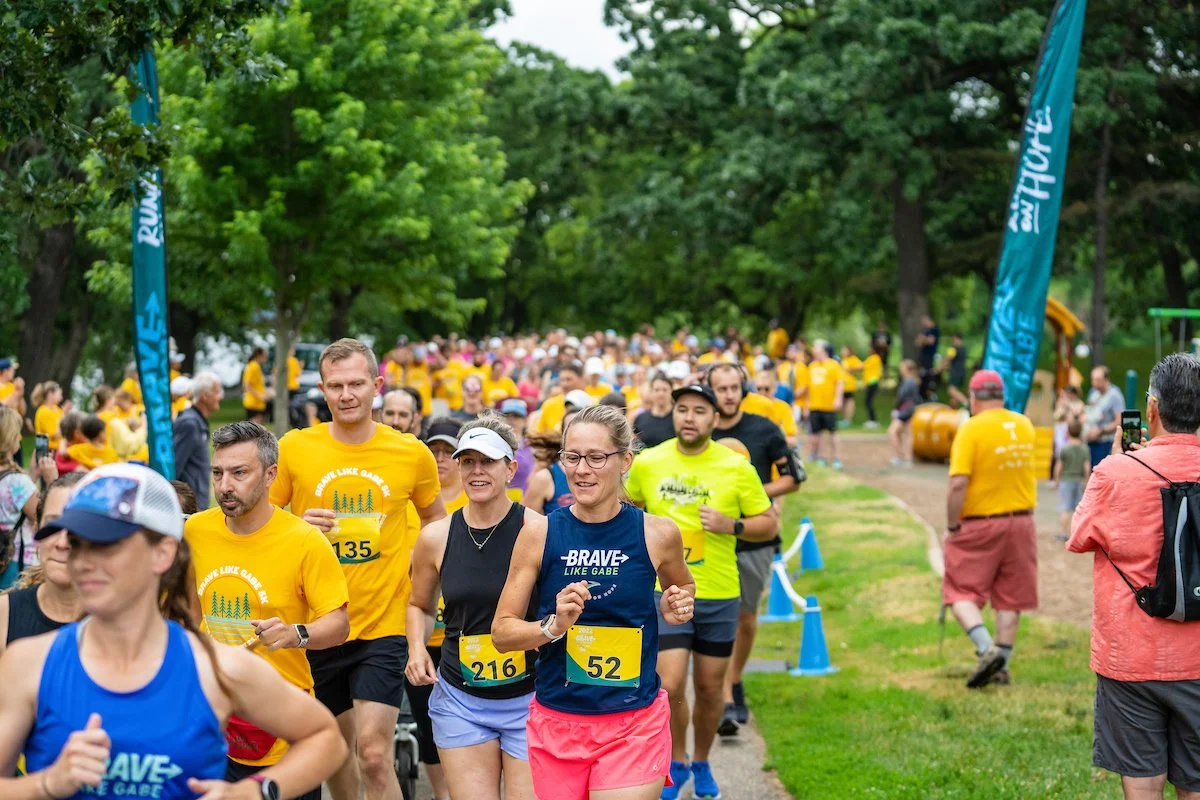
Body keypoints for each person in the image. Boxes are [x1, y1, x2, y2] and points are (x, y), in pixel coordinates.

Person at [0, 462, 347, 799]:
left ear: (162, 553)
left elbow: (325, 738)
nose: (84, 560)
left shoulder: (216, 669)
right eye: (79, 543)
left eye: (107, 544)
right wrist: (46, 785)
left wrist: (251, 791)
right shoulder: (30, 664)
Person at [270, 338, 446, 800]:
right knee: (336, 755)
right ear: (323, 392)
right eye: (335, 386)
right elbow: (261, 526)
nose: (346, 395)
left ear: (377, 387)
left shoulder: (411, 453)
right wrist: (296, 526)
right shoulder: (294, 448)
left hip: (383, 622)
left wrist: (425, 582)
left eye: (355, 384)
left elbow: (437, 523)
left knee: (372, 753)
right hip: (318, 623)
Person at [492, 404, 696, 800]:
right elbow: (502, 633)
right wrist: (553, 626)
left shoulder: (658, 534)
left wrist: (677, 605)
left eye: (596, 458)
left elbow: (683, 589)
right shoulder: (539, 533)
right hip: (558, 721)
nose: (581, 470)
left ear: (625, 461)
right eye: (572, 457)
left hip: (634, 722)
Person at [626, 384, 779, 800]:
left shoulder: (736, 467)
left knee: (711, 688)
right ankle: (676, 760)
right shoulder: (649, 463)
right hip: (667, 592)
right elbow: (626, 506)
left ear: (714, 419)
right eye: (682, 409)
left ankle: (702, 760)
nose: (689, 417)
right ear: (673, 415)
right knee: (671, 683)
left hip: (718, 592)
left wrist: (733, 526)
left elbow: (769, 522)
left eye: (699, 410)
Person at [187, 421, 350, 798]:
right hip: (214, 714)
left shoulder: (305, 540)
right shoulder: (195, 531)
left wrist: (297, 634)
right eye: (218, 472)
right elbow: (186, 614)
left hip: (282, 721)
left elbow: (339, 624)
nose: (225, 485)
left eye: (239, 472)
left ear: (270, 475)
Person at [1067, 353, 1200, 800]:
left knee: (1141, 787)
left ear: (1151, 410)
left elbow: (1079, 535)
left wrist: (1115, 463)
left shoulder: (1115, 473)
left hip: (1132, 658)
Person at [406, 415, 539, 800]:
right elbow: (419, 604)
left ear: (510, 468)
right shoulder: (435, 537)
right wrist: (416, 649)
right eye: (468, 462)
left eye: (488, 461)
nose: (476, 471)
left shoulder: (539, 530)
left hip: (528, 698)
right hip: (460, 698)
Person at [705, 364, 799, 736]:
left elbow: (794, 478)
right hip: (709, 538)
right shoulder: (699, 432)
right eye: (720, 388)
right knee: (716, 617)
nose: (728, 394)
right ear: (709, 392)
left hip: (753, 537)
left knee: (745, 617)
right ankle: (724, 697)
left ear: (743, 389)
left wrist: (755, 496)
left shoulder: (765, 429)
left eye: (733, 387)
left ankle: (736, 678)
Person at [943, 370, 1037, 689]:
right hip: (1022, 521)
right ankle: (1003, 667)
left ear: (972, 398)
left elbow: (958, 483)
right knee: (1010, 597)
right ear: (1002, 396)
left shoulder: (970, 429)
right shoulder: (1024, 424)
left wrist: (952, 525)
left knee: (959, 591)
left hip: (981, 523)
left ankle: (987, 649)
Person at [0, 473, 85, 659]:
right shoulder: (4, 615)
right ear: (36, 530)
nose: (62, 542)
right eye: (53, 524)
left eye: (77, 527)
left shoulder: (121, 622)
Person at [0, 408, 57, 591]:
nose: (19, 437)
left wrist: (32, 474)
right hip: (15, 564)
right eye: (16, 433)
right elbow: (44, 519)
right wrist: (51, 481)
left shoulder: (15, 481)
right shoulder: (17, 482)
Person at [172, 371, 223, 511]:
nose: (221, 397)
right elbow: (175, 466)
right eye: (217, 392)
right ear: (206, 396)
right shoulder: (189, 424)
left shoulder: (197, 421)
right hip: (189, 505)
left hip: (197, 501)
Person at [807, 340, 845, 470]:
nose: (814, 352)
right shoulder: (811, 366)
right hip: (815, 405)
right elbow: (808, 386)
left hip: (828, 405)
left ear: (823, 351)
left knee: (833, 432)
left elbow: (840, 382)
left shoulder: (833, 365)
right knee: (817, 434)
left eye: (816, 350)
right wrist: (807, 403)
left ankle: (837, 458)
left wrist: (838, 398)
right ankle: (819, 457)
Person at [1053, 420, 1091, 543]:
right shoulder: (1084, 448)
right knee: (1077, 509)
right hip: (1079, 480)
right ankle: (1076, 534)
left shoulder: (1065, 448)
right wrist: (1086, 480)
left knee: (1065, 508)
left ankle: (1064, 533)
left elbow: (1059, 466)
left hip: (1066, 480)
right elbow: (1086, 466)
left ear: (1068, 432)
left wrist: (1056, 480)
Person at [1085, 366, 1125, 468]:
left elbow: (1119, 421)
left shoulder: (1114, 395)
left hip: (1106, 442)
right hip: (1091, 441)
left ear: (1106, 379)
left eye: (1098, 380)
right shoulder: (1093, 394)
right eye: (1093, 379)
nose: (1094, 383)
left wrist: (1101, 431)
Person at [426, 418, 467, 512]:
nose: (439, 459)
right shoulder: (412, 497)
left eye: (448, 451)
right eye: (433, 451)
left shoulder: (476, 497)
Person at [531, 362, 585, 434]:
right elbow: (539, 434)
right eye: (562, 380)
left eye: (569, 379)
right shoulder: (550, 404)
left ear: (581, 379)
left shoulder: (591, 402)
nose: (565, 384)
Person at [500, 398, 535, 495]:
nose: (511, 420)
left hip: (527, 500)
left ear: (525, 421)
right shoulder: (494, 445)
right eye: (507, 416)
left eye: (516, 416)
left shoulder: (532, 446)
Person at [890, 360, 921, 467]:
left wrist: (896, 409)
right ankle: (908, 459)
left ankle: (899, 456)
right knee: (908, 434)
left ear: (907, 369)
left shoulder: (908, 382)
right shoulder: (913, 381)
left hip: (905, 410)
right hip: (910, 409)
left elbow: (902, 397)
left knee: (892, 431)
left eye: (902, 367)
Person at [635, 372, 677, 449]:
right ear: (651, 392)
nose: (661, 394)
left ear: (671, 391)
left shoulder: (679, 417)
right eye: (657, 390)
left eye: (665, 390)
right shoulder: (641, 418)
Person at [242, 345, 273, 424]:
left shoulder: (256, 366)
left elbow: (257, 385)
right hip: (253, 403)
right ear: (259, 355)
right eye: (265, 356)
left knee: (257, 431)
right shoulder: (253, 366)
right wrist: (259, 396)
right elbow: (246, 385)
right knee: (254, 430)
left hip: (258, 403)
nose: (266, 358)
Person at [32, 382, 65, 451]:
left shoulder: (57, 409)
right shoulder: (43, 411)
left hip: (57, 449)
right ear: (50, 394)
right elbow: (55, 435)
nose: (61, 397)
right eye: (59, 394)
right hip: (48, 451)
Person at [917, 315, 940, 400]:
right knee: (922, 375)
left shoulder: (934, 330)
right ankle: (923, 394)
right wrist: (923, 339)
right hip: (924, 356)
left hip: (930, 356)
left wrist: (924, 339)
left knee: (928, 375)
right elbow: (918, 342)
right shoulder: (926, 331)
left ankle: (930, 394)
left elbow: (931, 341)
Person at [862, 345, 884, 429]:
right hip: (870, 382)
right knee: (868, 401)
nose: (869, 350)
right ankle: (872, 420)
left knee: (868, 401)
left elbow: (864, 366)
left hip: (873, 382)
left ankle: (873, 421)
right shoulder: (872, 358)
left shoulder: (874, 358)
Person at [839, 345, 861, 428]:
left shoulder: (853, 359)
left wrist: (851, 369)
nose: (843, 352)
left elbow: (861, 365)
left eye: (844, 350)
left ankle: (848, 420)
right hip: (843, 384)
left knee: (849, 401)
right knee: (843, 402)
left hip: (849, 384)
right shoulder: (843, 360)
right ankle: (845, 419)